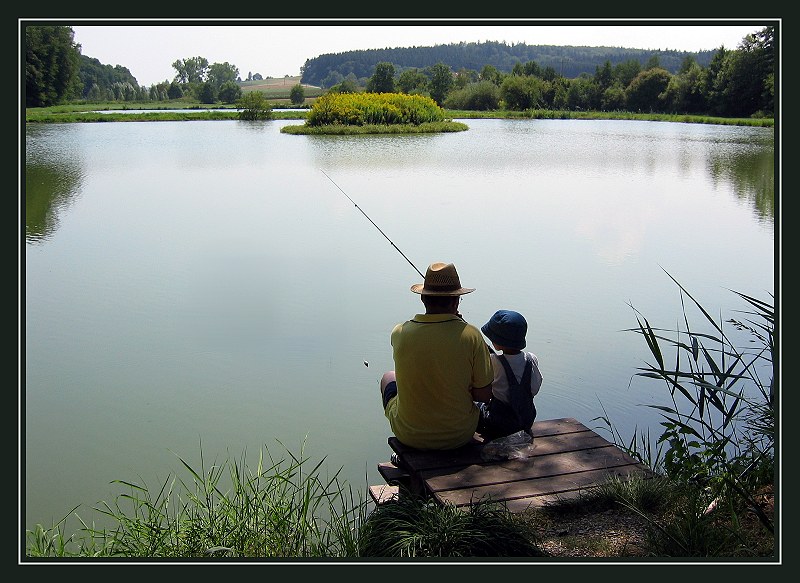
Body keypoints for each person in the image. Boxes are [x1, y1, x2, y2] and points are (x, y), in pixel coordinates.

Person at [380, 262, 494, 450]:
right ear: (455, 301)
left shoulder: (399, 332)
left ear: (423, 299)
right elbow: (483, 395)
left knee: (388, 377)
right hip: (459, 434)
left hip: (409, 435)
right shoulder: (471, 335)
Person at [476, 309, 543, 440]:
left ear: (498, 343)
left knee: (476, 406)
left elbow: (485, 386)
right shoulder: (531, 359)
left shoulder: (494, 362)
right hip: (525, 420)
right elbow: (534, 387)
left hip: (500, 424)